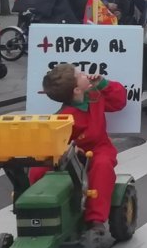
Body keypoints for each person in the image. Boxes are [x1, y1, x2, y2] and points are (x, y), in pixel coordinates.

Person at [32, 64, 128, 231]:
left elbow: (119, 102)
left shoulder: (94, 95)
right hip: (71, 153)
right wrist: (67, 148)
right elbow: (52, 141)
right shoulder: (63, 117)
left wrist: (103, 84)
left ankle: (95, 219)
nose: (85, 74)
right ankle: (39, 209)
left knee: (102, 166)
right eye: (80, 74)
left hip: (99, 148)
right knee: (37, 170)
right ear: (77, 90)